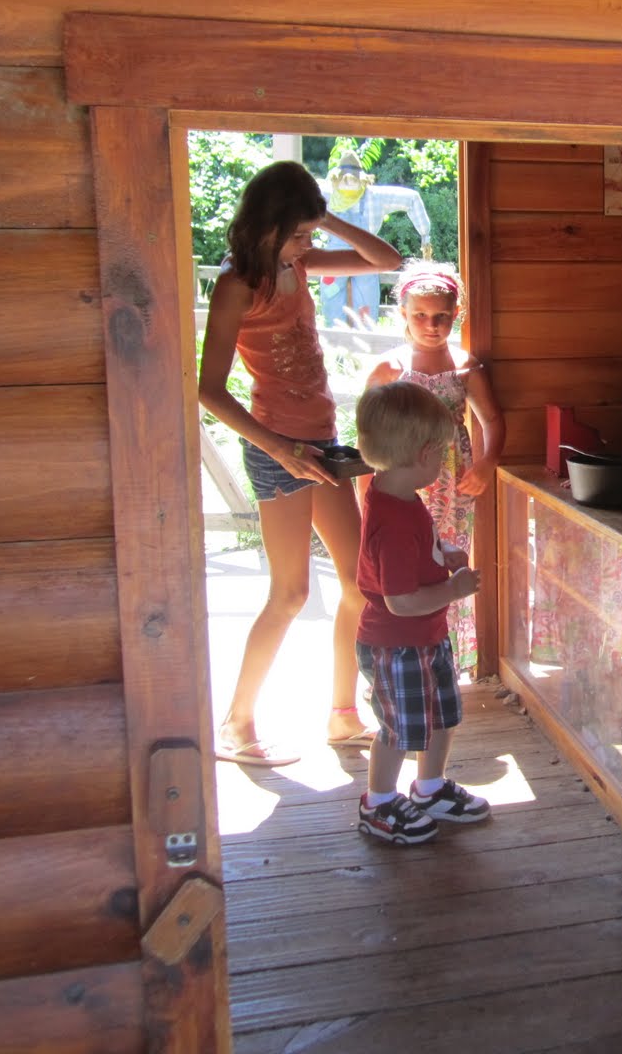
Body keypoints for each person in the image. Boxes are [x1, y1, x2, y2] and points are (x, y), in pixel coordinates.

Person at [198, 160, 402, 766]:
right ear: (267, 225)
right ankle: (236, 724)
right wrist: (278, 448)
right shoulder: (238, 285)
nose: (307, 245)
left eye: (310, 234)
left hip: (323, 441)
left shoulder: (300, 263)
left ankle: (342, 715)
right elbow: (208, 390)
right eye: (297, 234)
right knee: (289, 594)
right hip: (279, 449)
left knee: (360, 585)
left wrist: (323, 219)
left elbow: (387, 260)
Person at [353, 380, 492, 844]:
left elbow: (417, 554)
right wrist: (454, 589)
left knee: (441, 715)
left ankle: (429, 788)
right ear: (422, 454)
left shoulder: (398, 496)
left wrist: (443, 552)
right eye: (441, 455)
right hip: (396, 645)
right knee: (398, 728)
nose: (443, 464)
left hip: (425, 638)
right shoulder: (392, 521)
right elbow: (401, 601)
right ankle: (378, 802)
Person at [364, 263, 504, 671]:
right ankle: (400, 655)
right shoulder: (390, 369)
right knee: (404, 563)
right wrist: (365, 496)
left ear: (456, 313)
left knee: (447, 560)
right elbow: (368, 435)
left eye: (442, 315)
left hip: (453, 483)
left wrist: (486, 463)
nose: (431, 325)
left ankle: (445, 656)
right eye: (420, 315)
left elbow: (492, 421)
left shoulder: (464, 366)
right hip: (402, 480)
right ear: (403, 314)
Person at [320, 157, 434, 330]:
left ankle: (357, 340)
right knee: (334, 301)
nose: (348, 183)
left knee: (362, 305)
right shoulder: (329, 194)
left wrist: (425, 235)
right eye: (345, 179)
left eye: (352, 179)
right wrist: (425, 235)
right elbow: (412, 198)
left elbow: (412, 199)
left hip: (354, 259)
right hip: (364, 257)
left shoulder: (369, 196)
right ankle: (339, 339)